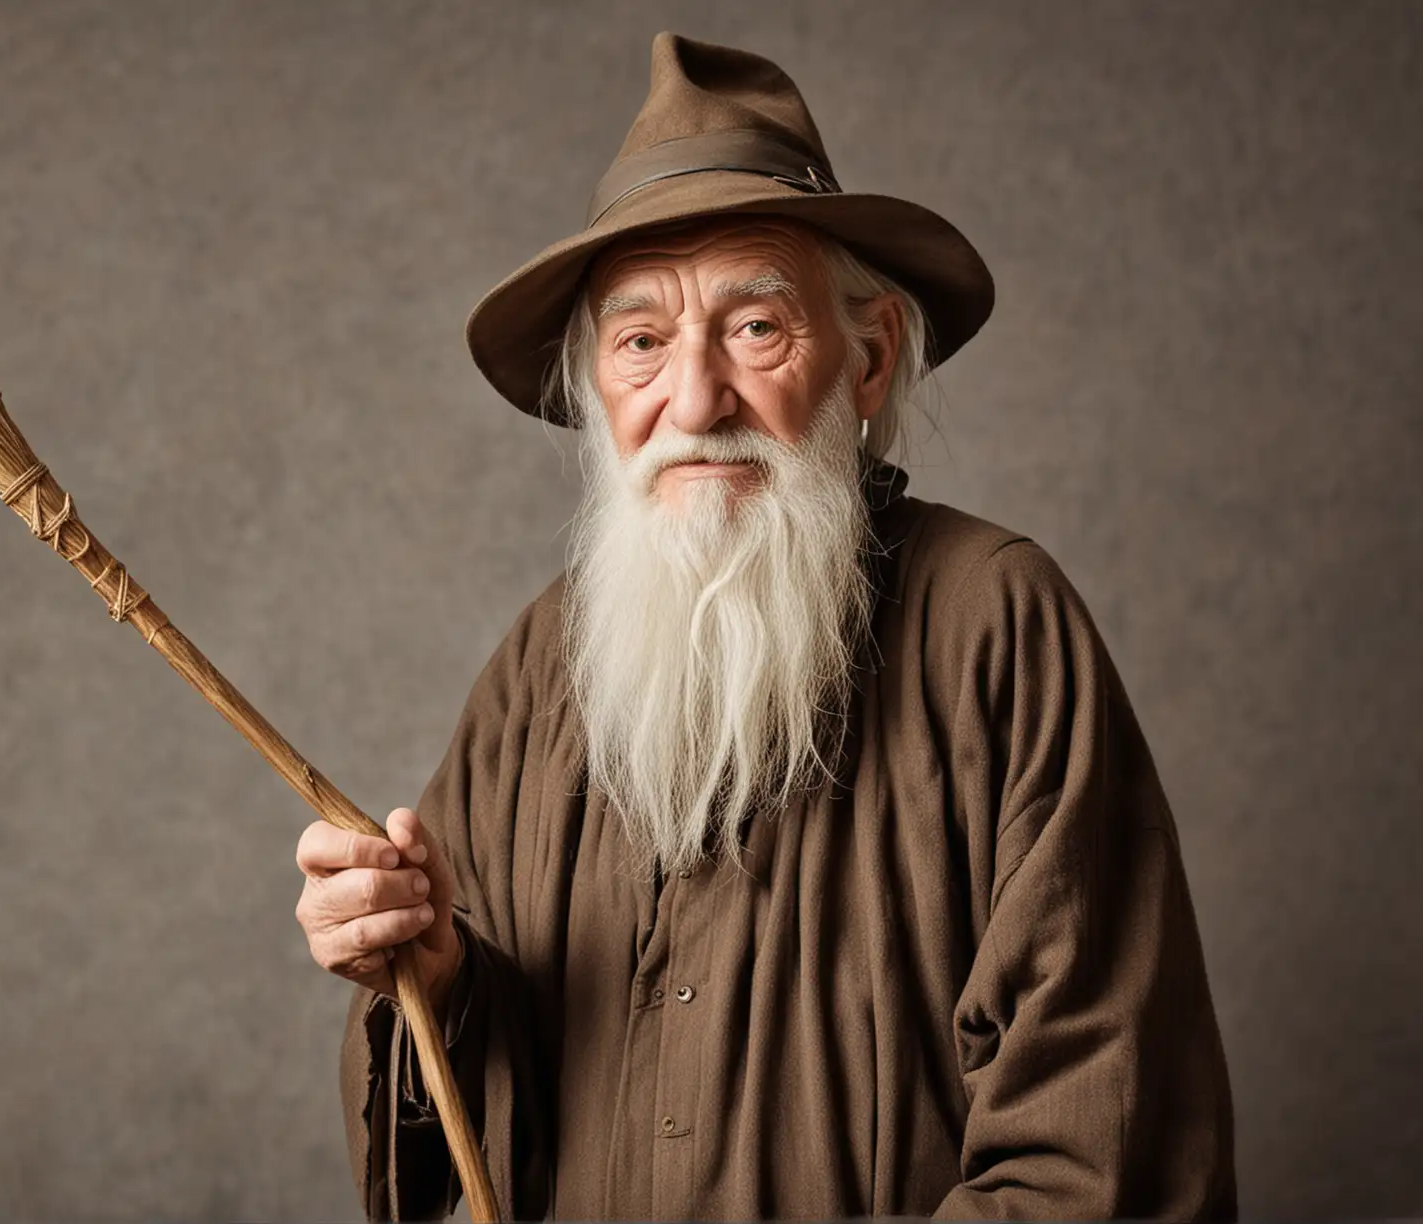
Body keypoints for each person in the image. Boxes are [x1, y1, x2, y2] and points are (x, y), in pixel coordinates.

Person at [291, 33, 1237, 1221]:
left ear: (869, 355)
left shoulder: (997, 626)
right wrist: (428, 980)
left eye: (754, 328)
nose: (695, 401)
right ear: (598, 388)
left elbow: (1099, 1145)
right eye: (642, 343)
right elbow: (471, 1139)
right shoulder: (541, 670)